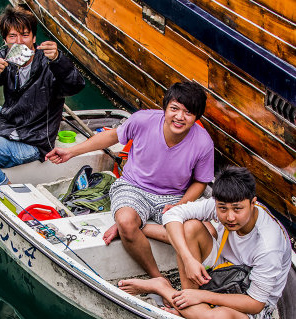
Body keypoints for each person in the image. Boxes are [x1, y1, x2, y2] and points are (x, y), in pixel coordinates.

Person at [46, 81, 214, 278]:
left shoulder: (203, 142)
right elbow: (110, 137)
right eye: (174, 109)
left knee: (208, 233)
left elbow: (201, 182)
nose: (179, 117)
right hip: (133, 187)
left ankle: (139, 225)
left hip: (173, 197)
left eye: (188, 112)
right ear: (165, 108)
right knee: (127, 222)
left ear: (196, 117)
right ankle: (157, 278)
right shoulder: (143, 120)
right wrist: (71, 152)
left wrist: (181, 204)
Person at [118, 167, 292, 319]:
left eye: (238, 209)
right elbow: (173, 214)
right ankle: (188, 298)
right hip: (222, 269)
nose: (230, 217)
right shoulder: (221, 205)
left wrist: (202, 297)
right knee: (190, 227)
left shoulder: (269, 246)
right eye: (222, 208)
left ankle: (163, 288)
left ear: (253, 203)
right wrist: (188, 259)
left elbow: (256, 303)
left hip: (249, 297)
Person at [0, 4, 85, 187]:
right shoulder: (7, 56)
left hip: (32, 142)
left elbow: (75, 85)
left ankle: (6, 188)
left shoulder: (49, 63)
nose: (19, 41)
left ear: (33, 38)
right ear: (5, 39)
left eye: (24, 35)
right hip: (8, 126)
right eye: (12, 36)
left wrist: (58, 59)